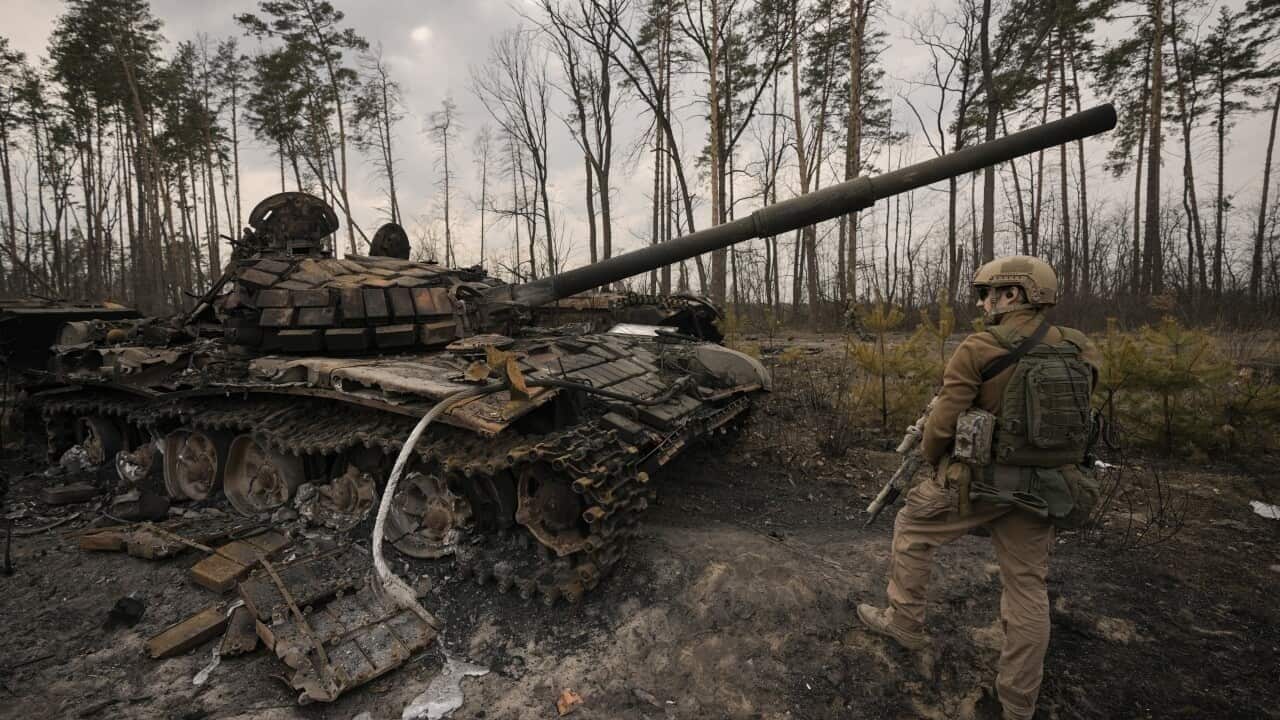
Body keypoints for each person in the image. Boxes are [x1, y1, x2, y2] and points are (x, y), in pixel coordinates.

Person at [857, 256, 1102, 720]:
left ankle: (904, 623)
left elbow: (944, 423)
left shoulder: (979, 347)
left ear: (1015, 294)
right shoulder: (1079, 347)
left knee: (911, 526)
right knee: (1027, 586)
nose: (985, 301)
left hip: (980, 485)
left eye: (991, 292)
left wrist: (932, 463)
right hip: (1047, 489)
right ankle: (1017, 704)